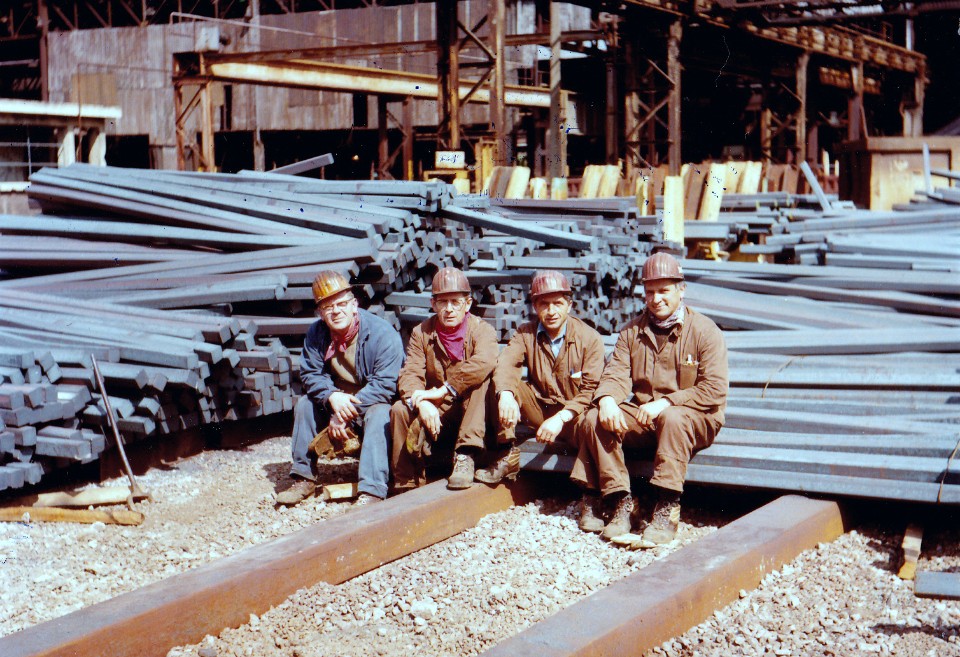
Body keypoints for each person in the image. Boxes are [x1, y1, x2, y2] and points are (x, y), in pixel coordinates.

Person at [572, 252, 728, 545]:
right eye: (650, 292)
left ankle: (667, 506)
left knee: (673, 417)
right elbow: (616, 374)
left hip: (695, 419)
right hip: (648, 418)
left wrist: (667, 402)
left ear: (681, 289)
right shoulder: (632, 331)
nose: (656, 299)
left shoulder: (704, 331)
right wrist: (607, 400)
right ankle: (621, 501)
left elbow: (714, 389)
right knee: (593, 417)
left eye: (664, 290)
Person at [277, 270, 404, 507]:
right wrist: (331, 396)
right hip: (338, 402)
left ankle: (372, 490)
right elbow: (310, 374)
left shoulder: (382, 334)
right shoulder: (316, 333)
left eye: (342, 304)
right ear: (320, 313)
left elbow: (385, 386)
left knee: (380, 413)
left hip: (371, 405)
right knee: (305, 405)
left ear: (354, 305)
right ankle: (303, 477)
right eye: (328, 307)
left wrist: (344, 413)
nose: (336, 311)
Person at [476, 270, 605, 485]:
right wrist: (506, 395)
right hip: (540, 409)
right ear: (535, 306)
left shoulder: (589, 338)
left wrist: (560, 419)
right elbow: (507, 363)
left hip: (574, 415)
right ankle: (507, 454)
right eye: (544, 304)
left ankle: (590, 488)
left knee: (593, 423)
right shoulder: (525, 333)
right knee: (500, 383)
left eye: (558, 303)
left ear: (569, 305)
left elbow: (591, 390)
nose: (551, 311)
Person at [390, 267, 499, 491]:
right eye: (443, 302)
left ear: (467, 304)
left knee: (480, 382)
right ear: (433, 304)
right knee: (399, 409)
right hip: (439, 413)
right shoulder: (421, 332)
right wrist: (421, 403)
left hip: (473, 413)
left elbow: (484, 362)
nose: (449, 309)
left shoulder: (482, 330)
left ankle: (465, 456)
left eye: (455, 302)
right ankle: (406, 481)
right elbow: (410, 373)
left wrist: (444, 389)